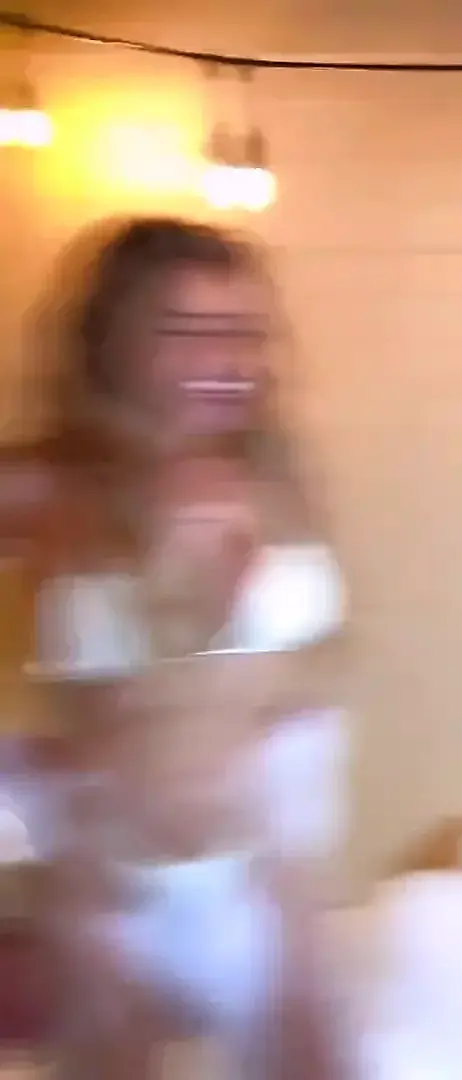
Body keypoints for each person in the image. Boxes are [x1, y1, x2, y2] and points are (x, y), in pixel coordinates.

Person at [0, 218, 350, 1078]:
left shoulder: (276, 481)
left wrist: (298, 910)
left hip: (256, 883)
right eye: (186, 330)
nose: (224, 359)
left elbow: (296, 707)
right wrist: (30, 799)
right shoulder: (54, 484)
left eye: (243, 331)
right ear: (115, 344)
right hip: (111, 899)